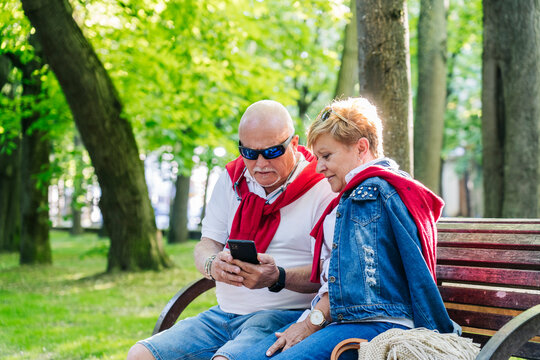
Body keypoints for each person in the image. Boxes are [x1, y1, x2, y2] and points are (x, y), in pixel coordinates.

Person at [235, 97, 460, 360]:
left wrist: (309, 324)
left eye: (327, 156)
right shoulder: (373, 190)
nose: (318, 168)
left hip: (374, 325)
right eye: (317, 157)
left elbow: (347, 284)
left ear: (361, 147)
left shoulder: (366, 196)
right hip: (353, 320)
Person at [127, 100, 335, 360]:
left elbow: (332, 275)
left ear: (293, 144)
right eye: (248, 152)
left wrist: (277, 277)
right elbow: (206, 244)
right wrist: (213, 264)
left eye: (271, 152)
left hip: (282, 315)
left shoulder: (322, 186)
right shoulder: (232, 178)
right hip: (223, 315)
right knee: (140, 354)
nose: (259, 164)